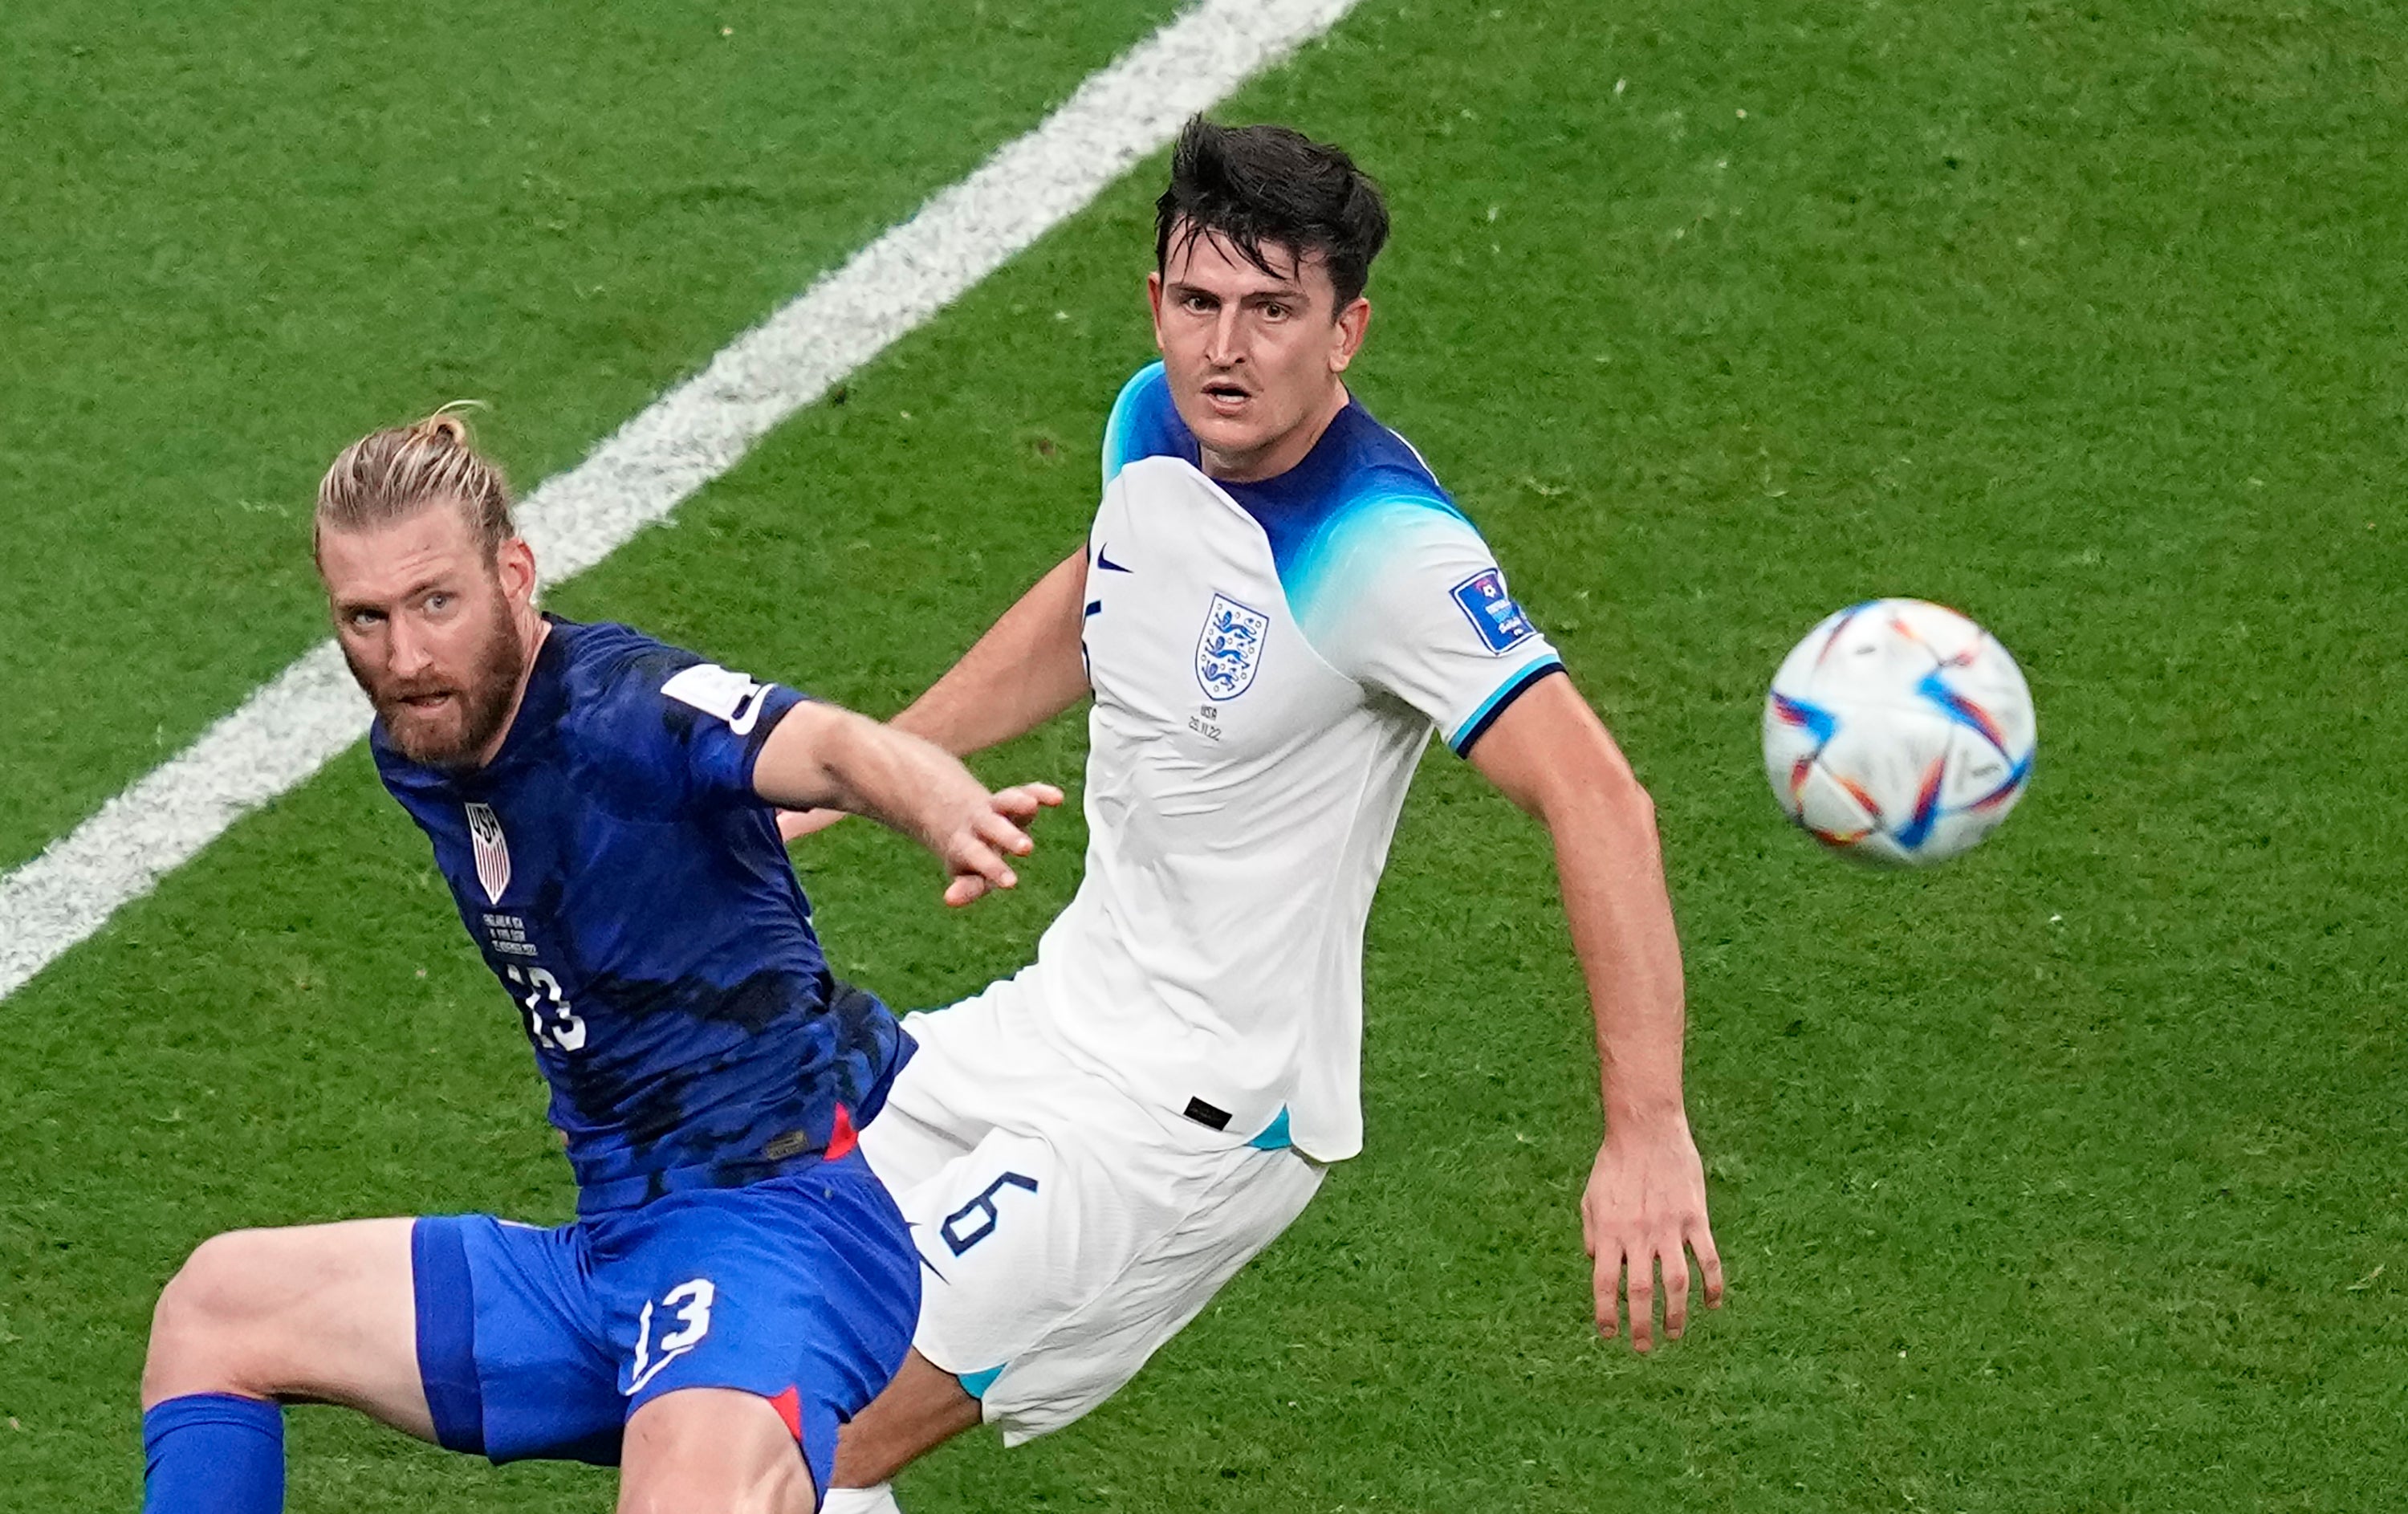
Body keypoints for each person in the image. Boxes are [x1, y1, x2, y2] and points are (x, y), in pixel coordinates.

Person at [804, 119, 1724, 1513]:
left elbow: (1601, 795)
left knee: (799, 1434)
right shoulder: (1155, 423)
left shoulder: (1389, 553)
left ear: (1346, 330)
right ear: (1157, 302)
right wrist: (883, 758)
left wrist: (1645, 1125)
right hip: (1052, 1020)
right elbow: (1104, 590)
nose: (1226, 349)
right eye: (1199, 302)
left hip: (1189, 1123)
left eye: (1274, 311)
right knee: (722, 1320)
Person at [138, 413, 1060, 1514]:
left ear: (515, 574)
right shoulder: (427, 741)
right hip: (610, 1256)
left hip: (775, 1230)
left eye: (437, 602)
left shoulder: (625, 706)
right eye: (365, 619)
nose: (405, 657)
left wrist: (938, 799)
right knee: (218, 1308)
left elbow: (820, 744)